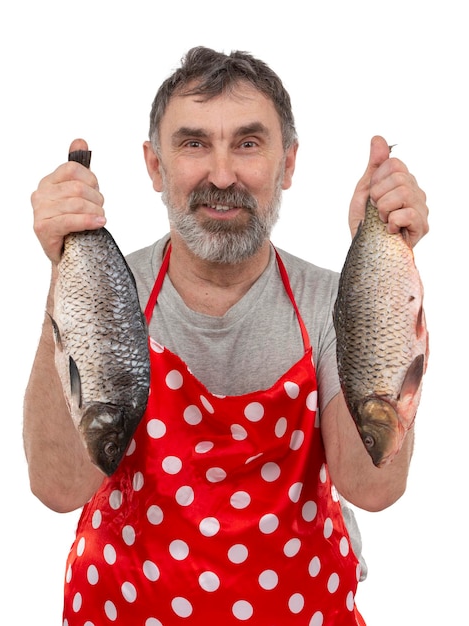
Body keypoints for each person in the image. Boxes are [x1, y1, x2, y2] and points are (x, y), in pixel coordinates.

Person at [23, 46, 429, 625]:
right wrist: (67, 275)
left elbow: (373, 486)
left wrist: (385, 265)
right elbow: (59, 488)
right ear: (156, 166)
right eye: (193, 144)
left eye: (247, 143)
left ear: (287, 163)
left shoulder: (329, 303)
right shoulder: (114, 293)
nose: (221, 175)